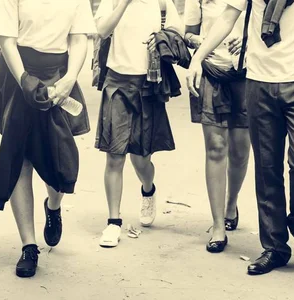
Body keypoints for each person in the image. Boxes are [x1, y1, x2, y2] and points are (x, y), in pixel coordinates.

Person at [186, 0, 294, 274]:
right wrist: (198, 58)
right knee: (267, 168)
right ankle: (274, 246)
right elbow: (227, 17)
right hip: (259, 81)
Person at [0, 0, 96, 277]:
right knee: (21, 158)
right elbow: (6, 39)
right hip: (19, 72)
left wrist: (69, 79)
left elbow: (79, 39)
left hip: (58, 76)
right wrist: (24, 80)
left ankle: (53, 206)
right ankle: (28, 246)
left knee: (58, 157)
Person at [93, 0, 185, 248]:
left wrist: (163, 37)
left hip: (149, 84)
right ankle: (113, 222)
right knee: (115, 155)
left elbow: (179, 33)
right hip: (117, 83)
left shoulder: (161, 3)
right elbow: (101, 30)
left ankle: (148, 189)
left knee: (141, 158)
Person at [183, 0, 250, 253]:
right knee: (215, 147)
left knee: (240, 150)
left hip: (247, 73)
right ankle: (218, 224)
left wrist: (248, 41)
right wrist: (198, 42)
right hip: (210, 71)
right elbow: (188, 32)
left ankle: (231, 204)